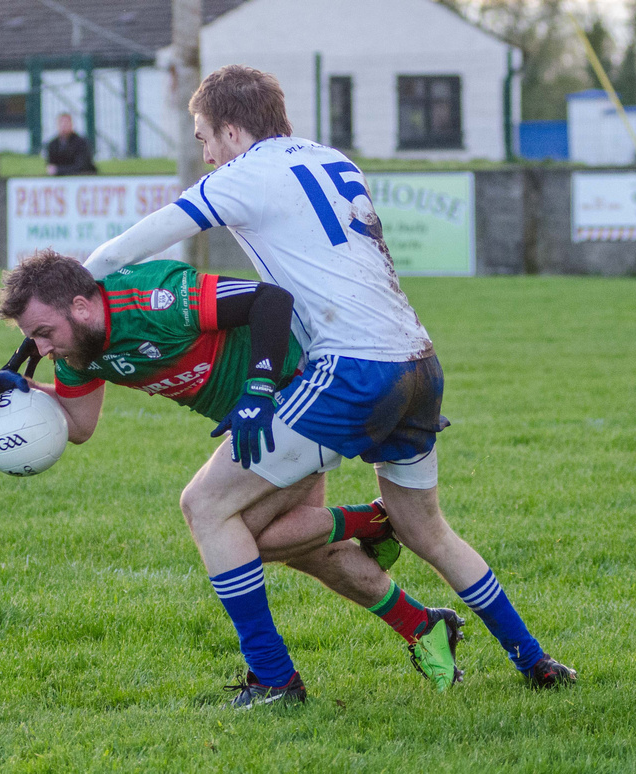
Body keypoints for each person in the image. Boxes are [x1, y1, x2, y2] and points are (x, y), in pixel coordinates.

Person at [66, 65, 576, 694]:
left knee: (207, 507)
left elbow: (126, 249)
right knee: (427, 530)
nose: (203, 153)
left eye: (204, 138)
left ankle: (275, 681)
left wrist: (64, 298)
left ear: (230, 130)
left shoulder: (243, 173)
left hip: (348, 370)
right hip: (418, 362)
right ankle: (535, 661)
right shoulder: (330, 158)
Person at [0, 250, 466, 706]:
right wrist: (23, 390)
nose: (42, 348)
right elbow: (79, 426)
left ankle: (277, 675)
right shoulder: (78, 349)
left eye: (44, 333)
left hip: (296, 400)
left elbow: (270, 302)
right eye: (32, 339)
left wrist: (259, 387)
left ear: (81, 306)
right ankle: (421, 621)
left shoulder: (153, 298)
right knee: (302, 547)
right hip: (256, 429)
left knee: (213, 513)